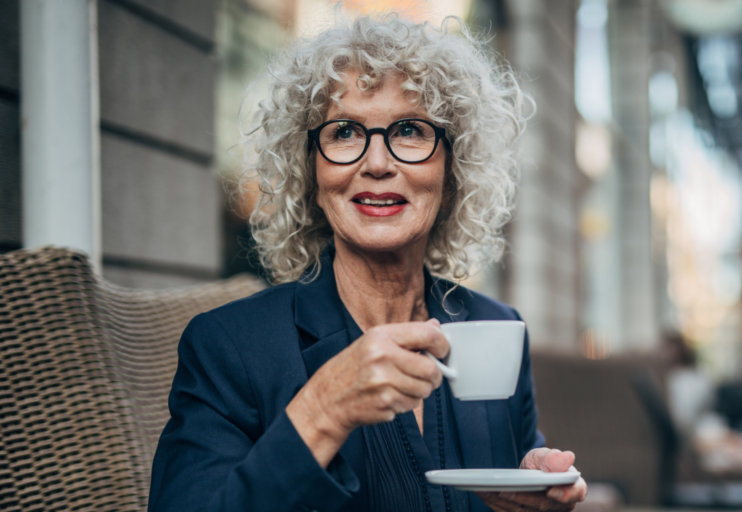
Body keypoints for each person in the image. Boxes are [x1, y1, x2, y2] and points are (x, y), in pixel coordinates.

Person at [148, 15, 587, 512]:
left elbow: (513, 483)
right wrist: (323, 412)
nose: (377, 163)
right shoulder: (229, 348)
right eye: (343, 133)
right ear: (309, 173)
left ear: (452, 172)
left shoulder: (496, 329)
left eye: (409, 129)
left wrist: (533, 496)